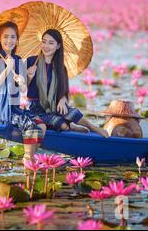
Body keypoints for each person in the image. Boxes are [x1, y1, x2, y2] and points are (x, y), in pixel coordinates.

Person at [25, 29, 109, 157]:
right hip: (35, 108)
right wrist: (29, 76)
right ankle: (70, 126)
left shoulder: (60, 67)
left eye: (51, 43)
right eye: (44, 42)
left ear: (58, 46)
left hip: (54, 105)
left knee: (72, 112)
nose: (46, 46)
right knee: (62, 125)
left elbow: (63, 90)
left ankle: (93, 128)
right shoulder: (31, 61)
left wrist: (63, 100)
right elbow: (21, 87)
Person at [0, 21, 42, 144]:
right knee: (28, 124)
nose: (9, 40)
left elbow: (22, 89)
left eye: (13, 37)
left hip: (14, 107)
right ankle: (28, 157)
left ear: (17, 40)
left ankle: (31, 150)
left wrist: (25, 79)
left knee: (38, 121)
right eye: (5, 36)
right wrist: (7, 69)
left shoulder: (18, 59)